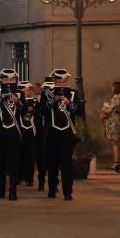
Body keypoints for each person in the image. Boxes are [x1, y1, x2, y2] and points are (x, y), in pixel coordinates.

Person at [42, 69, 81, 201]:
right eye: (60, 81)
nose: (62, 84)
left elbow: (80, 111)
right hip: (52, 133)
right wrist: (51, 103)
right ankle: (52, 189)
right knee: (52, 163)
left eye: (64, 81)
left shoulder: (73, 93)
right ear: (54, 81)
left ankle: (67, 192)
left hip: (67, 134)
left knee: (67, 164)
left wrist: (69, 103)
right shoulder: (47, 93)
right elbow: (41, 111)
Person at [0, 69, 23, 201]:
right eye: (6, 80)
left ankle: (13, 191)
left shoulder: (20, 94)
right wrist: (1, 100)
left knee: (14, 163)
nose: (9, 82)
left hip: (14, 133)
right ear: (1, 81)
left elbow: (26, 113)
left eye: (12, 80)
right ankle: (0, 189)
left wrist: (17, 101)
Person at [99, 81, 120, 169]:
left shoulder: (116, 97)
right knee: (112, 142)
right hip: (112, 121)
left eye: (112, 87)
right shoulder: (115, 97)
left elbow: (109, 109)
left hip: (113, 122)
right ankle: (115, 162)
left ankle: (116, 163)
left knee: (114, 142)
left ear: (116, 88)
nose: (111, 88)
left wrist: (102, 111)